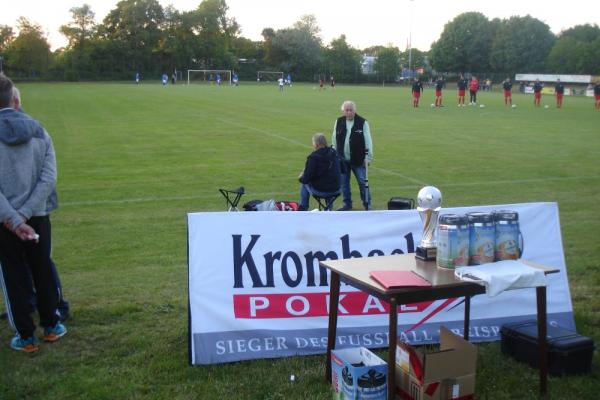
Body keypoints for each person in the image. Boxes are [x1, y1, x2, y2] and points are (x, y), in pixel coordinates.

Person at [0, 74, 67, 352]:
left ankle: (26, 337)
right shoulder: (40, 130)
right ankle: (51, 325)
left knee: (13, 276)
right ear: (15, 100)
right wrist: (27, 214)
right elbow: (49, 178)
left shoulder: (39, 130)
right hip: (37, 216)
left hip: (5, 222)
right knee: (42, 269)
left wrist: (15, 220)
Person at [332, 100, 373, 211]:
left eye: (351, 110)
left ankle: (367, 203)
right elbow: (334, 139)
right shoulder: (339, 121)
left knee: (362, 181)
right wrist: (335, 154)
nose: (349, 112)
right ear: (343, 111)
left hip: (358, 159)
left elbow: (368, 141)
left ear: (355, 110)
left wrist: (368, 157)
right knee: (344, 182)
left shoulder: (362, 122)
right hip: (342, 159)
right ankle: (347, 203)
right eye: (347, 110)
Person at [298, 133, 341, 211]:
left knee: (304, 184)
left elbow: (306, 179)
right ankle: (329, 209)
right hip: (337, 189)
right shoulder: (334, 153)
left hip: (322, 191)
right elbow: (343, 170)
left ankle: (303, 208)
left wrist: (301, 177)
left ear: (317, 144)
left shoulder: (313, 157)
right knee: (329, 180)